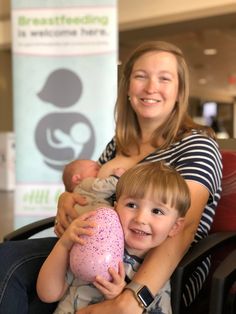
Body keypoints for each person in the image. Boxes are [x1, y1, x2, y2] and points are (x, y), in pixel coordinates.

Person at [0, 40, 222, 314]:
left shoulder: (196, 144)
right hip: (88, 256)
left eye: (164, 78)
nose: (151, 87)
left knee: (10, 269)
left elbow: (184, 228)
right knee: (10, 267)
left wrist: (131, 299)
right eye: (141, 76)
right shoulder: (118, 145)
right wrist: (67, 199)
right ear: (128, 87)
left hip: (154, 272)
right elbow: (93, 193)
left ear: (179, 91)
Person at [37, 161, 191, 313]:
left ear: (175, 227)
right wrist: (64, 245)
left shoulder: (156, 275)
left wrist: (118, 298)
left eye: (157, 211)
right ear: (115, 208)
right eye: (132, 205)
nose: (140, 218)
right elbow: (48, 294)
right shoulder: (93, 242)